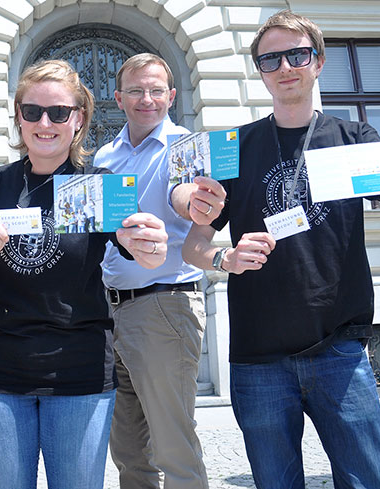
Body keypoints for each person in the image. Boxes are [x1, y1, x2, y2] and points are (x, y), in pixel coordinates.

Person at [171, 10, 380, 488]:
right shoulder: (234, 146)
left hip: (338, 346)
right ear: (259, 70)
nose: (285, 67)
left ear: (318, 61)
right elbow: (194, 246)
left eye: (297, 54)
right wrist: (225, 259)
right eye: (270, 59)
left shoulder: (354, 138)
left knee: (367, 481)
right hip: (258, 356)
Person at [0, 59, 169, 489]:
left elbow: (148, 258)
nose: (44, 123)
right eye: (32, 112)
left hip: (79, 370)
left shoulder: (98, 186)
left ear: (79, 119)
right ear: (19, 118)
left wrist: (154, 243)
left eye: (58, 112)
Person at [93, 53, 222, 489]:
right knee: (128, 453)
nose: (146, 99)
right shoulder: (105, 157)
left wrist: (194, 201)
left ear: (170, 96)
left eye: (155, 90)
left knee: (174, 448)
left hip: (163, 306)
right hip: (109, 312)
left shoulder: (188, 146)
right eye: (135, 90)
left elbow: (182, 193)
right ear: (118, 97)